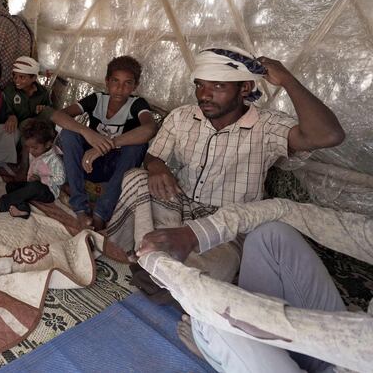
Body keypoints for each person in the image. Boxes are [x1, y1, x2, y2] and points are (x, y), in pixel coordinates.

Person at [105, 47, 345, 280]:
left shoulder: (267, 125)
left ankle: (151, 259)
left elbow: (328, 136)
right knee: (136, 178)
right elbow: (153, 156)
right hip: (180, 205)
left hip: (229, 222)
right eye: (200, 84)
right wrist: (157, 167)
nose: (204, 95)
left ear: (245, 87)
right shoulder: (182, 116)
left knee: (206, 272)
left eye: (218, 85)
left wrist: (287, 80)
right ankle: (156, 260)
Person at [136, 198, 365, 373]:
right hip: (341, 355)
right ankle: (241, 353)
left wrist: (239, 312)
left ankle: (227, 360)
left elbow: (356, 341)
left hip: (357, 349)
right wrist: (194, 234)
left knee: (213, 317)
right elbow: (284, 209)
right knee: (271, 235)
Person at [52, 56, 158, 230]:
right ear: (107, 82)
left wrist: (108, 144)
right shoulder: (97, 99)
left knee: (138, 145)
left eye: (127, 83)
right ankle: (80, 208)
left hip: (114, 168)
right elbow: (57, 115)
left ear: (135, 86)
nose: (120, 88)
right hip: (88, 163)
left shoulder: (136, 104)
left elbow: (150, 129)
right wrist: (87, 132)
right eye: (115, 81)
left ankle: (101, 213)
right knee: (69, 132)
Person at [0, 119, 64, 219]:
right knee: (10, 186)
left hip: (48, 192)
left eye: (34, 148)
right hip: (32, 185)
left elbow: (61, 179)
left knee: (33, 188)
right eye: (28, 147)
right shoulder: (35, 152)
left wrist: (41, 179)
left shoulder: (54, 159)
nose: (31, 151)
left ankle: (4, 203)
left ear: (47, 144)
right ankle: (23, 210)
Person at [3, 56, 52, 132]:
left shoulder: (43, 93)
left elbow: (48, 111)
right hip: (16, 130)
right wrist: (11, 116)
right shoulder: (10, 90)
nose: (17, 80)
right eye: (14, 76)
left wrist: (42, 109)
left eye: (22, 77)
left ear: (33, 78)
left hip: (36, 129)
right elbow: (6, 110)